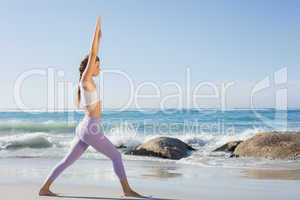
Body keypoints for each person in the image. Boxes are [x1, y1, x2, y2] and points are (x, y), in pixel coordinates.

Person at [39, 17, 144, 198]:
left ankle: (44, 188)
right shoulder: (85, 80)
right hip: (90, 128)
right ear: (90, 66)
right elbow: (93, 51)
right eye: (98, 64)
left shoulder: (88, 82)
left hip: (85, 127)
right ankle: (127, 191)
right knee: (116, 157)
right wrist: (97, 35)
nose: (100, 68)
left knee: (67, 161)